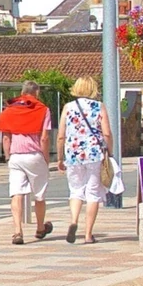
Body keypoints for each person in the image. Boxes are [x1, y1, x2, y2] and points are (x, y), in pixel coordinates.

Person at [59, 77, 112, 244]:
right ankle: (88, 234)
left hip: (73, 154)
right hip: (95, 154)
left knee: (75, 190)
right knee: (93, 193)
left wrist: (60, 157)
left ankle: (74, 220)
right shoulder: (99, 107)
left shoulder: (68, 108)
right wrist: (110, 152)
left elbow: (61, 135)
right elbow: (107, 133)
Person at [0, 88, 53, 244]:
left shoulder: (10, 110)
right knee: (39, 194)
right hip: (34, 155)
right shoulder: (42, 110)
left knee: (16, 193)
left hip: (16, 156)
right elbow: (44, 138)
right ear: (36, 92)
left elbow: (6, 138)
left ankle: (17, 231)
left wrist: (8, 157)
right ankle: (40, 227)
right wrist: (46, 158)